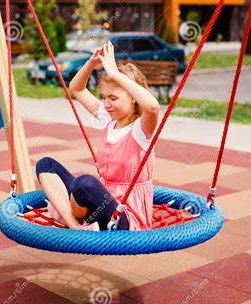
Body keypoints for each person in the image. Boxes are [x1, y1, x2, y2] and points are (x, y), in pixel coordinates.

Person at [36, 41, 159, 231]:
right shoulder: (109, 119)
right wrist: (91, 64)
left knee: (84, 184)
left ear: (133, 97)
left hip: (123, 217)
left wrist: (115, 73)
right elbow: (76, 88)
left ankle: (81, 219)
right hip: (100, 203)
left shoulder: (141, 130)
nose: (107, 104)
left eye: (113, 98)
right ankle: (75, 227)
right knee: (46, 164)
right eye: (104, 97)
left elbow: (152, 107)